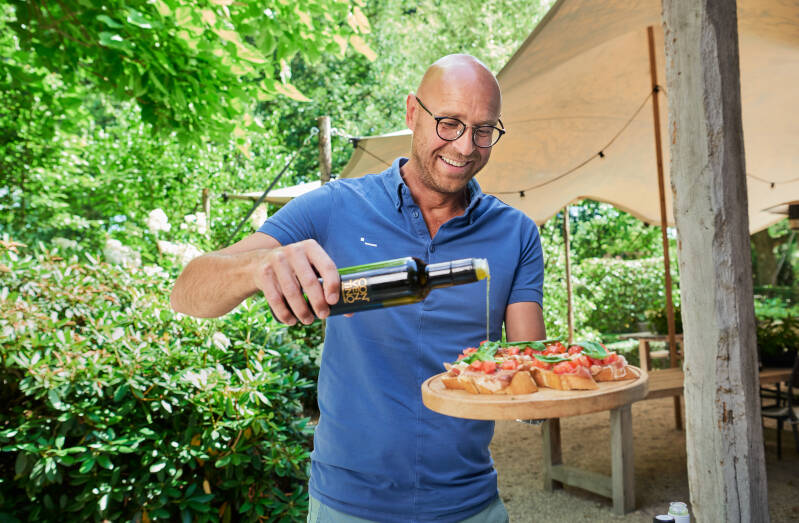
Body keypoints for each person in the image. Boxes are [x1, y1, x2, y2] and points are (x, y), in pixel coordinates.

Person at [171, 54, 545, 523]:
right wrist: (258, 266)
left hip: (470, 504)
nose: (465, 146)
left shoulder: (515, 233)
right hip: (347, 505)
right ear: (412, 112)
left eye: (483, 130)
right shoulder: (336, 206)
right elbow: (186, 291)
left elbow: (531, 375)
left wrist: (562, 379)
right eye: (449, 123)